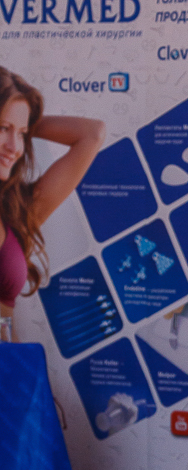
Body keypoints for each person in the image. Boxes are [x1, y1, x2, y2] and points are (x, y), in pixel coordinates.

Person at [0, 67, 105, 329]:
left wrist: (25, 120)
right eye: (3, 129)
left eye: (22, 134)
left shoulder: (17, 211)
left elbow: (92, 134)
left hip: (11, 355)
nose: (14, 147)